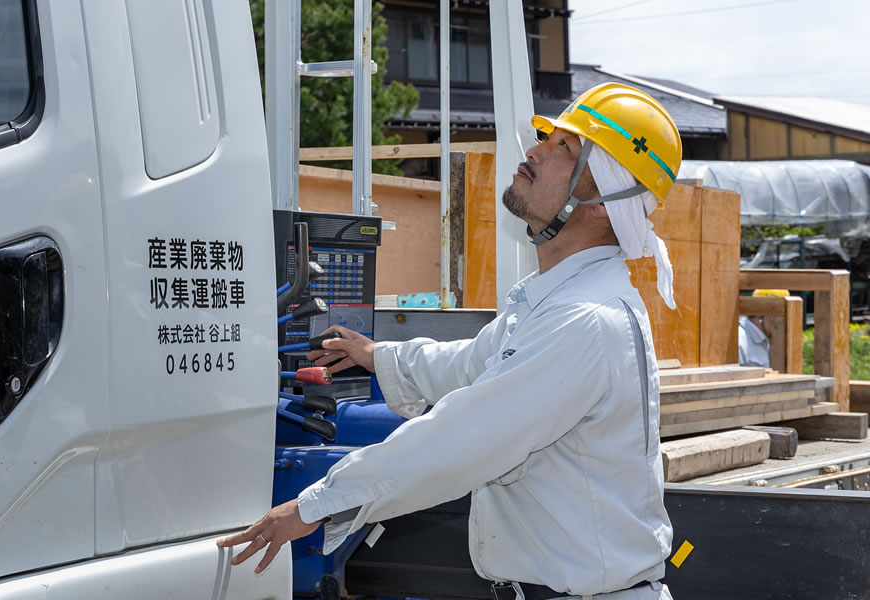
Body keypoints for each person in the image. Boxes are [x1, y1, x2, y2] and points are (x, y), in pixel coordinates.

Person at [219, 82, 682, 600]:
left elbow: (462, 438)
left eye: (564, 149)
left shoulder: (584, 320)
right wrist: (377, 356)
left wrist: (316, 504)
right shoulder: (552, 300)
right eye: (548, 138)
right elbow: (475, 365)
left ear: (603, 204)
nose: (535, 151)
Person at [738, 289, 790, 368]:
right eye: (781, 317)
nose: (785, 322)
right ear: (761, 313)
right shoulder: (740, 342)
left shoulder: (767, 340)